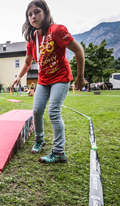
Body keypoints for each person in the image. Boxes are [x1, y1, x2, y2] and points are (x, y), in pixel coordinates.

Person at [12, 0, 86, 163]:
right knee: (37, 111)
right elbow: (27, 62)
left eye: (37, 12)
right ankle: (40, 140)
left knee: (53, 112)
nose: (33, 16)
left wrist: (80, 76)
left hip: (60, 78)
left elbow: (79, 50)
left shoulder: (57, 30)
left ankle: (59, 152)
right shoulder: (32, 37)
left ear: (45, 13)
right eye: (30, 14)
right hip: (43, 80)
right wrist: (18, 76)